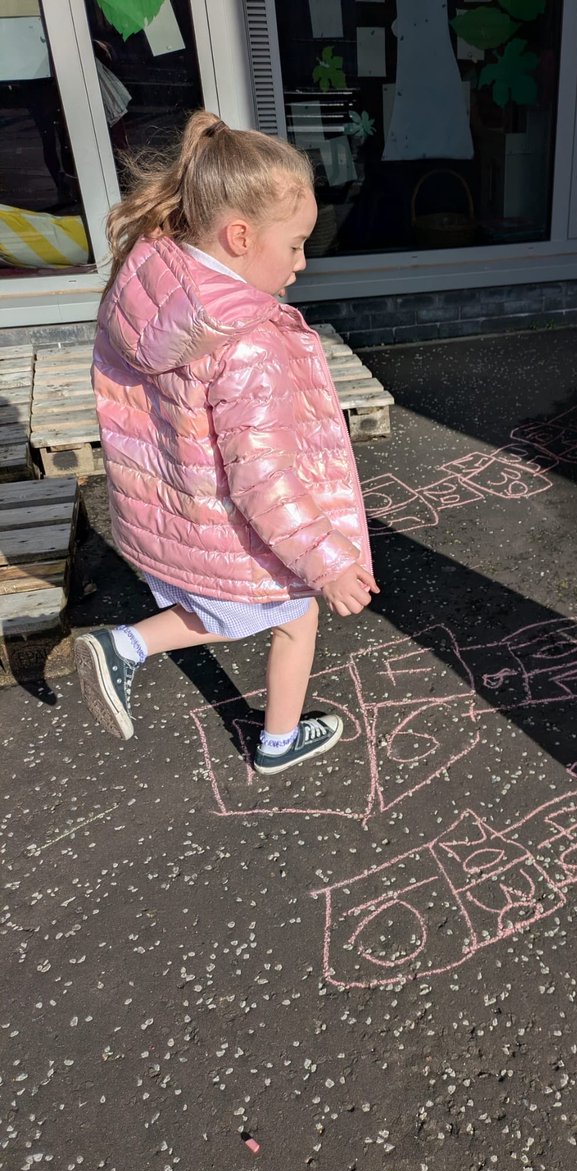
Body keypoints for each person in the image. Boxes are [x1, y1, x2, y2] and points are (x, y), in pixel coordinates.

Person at [75, 110, 378, 776]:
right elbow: (262, 476)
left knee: (250, 613)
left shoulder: (156, 279)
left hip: (174, 514)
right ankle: (132, 650)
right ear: (239, 235)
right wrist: (326, 560)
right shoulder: (249, 344)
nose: (302, 263)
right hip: (230, 526)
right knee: (284, 612)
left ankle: (273, 735)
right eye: (296, 244)